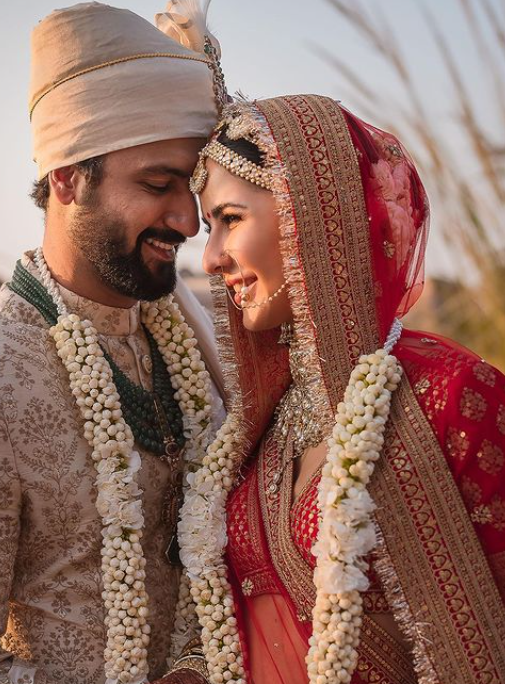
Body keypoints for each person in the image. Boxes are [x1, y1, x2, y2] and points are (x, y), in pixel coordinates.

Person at [0, 3, 226, 683]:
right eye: (157, 185)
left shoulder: (203, 342)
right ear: (68, 179)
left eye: (193, 187)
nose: (187, 219)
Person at [176, 95, 505, 684]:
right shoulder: (263, 424)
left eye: (230, 219)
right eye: (208, 228)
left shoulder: (451, 394)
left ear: (312, 217)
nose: (211, 257)